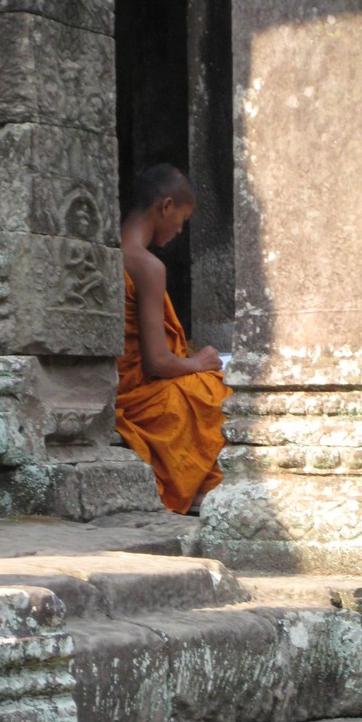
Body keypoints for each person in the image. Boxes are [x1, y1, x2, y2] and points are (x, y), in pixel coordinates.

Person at [116, 163, 232, 515]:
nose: (181, 229)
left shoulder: (107, 251)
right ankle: (201, 488)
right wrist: (198, 363)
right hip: (137, 392)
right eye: (182, 219)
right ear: (165, 206)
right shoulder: (147, 266)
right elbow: (157, 362)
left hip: (114, 385)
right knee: (217, 392)